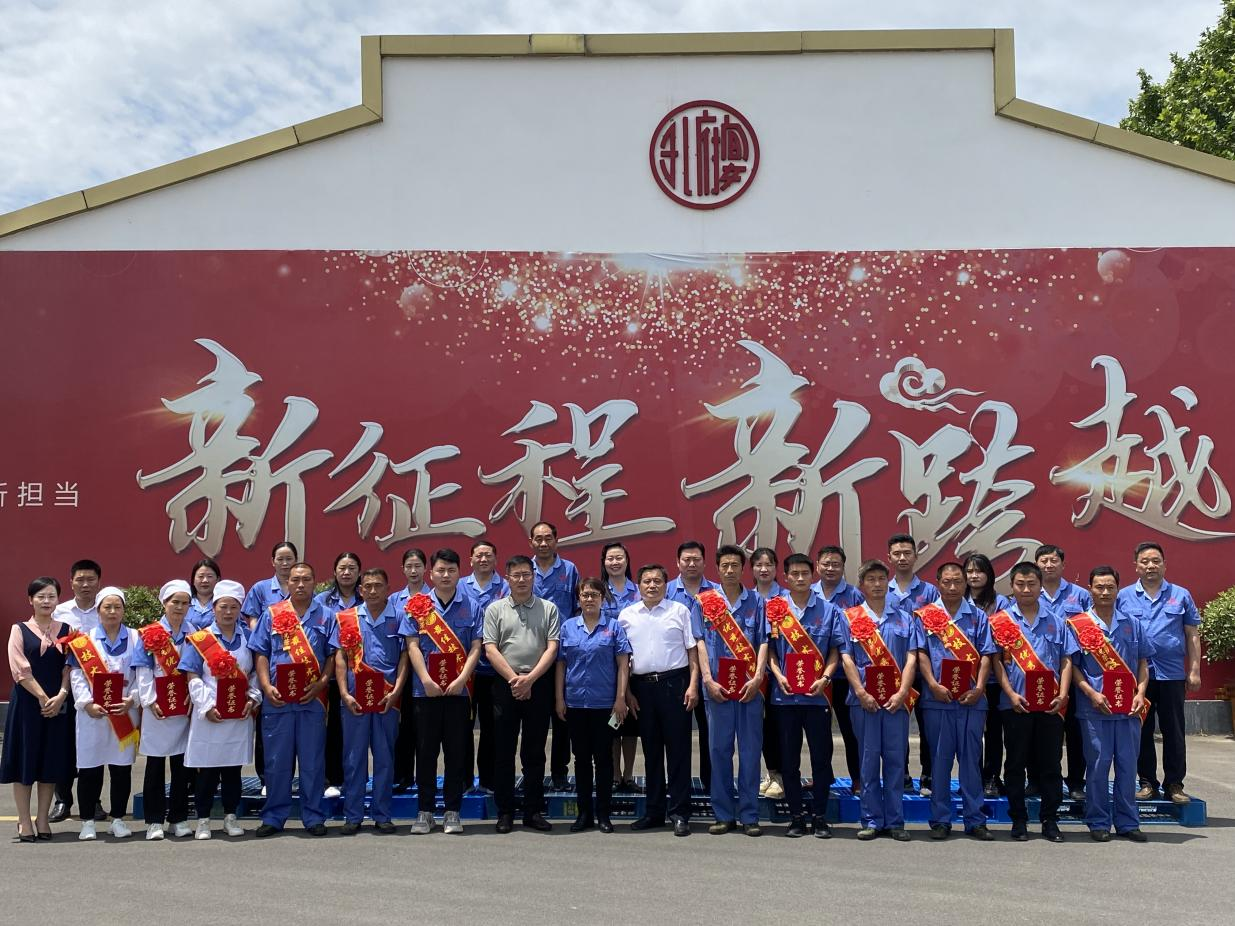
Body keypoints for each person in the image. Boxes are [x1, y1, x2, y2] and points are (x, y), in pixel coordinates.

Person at [248, 561, 336, 837]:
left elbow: (333, 656)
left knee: (312, 762)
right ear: (288, 583)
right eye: (295, 580)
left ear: (314, 582)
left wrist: (322, 683)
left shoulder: (326, 616)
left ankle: (314, 816)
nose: (300, 584)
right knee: (277, 762)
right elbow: (261, 653)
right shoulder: (272, 614)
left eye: (306, 579)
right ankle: (274, 816)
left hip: (312, 700)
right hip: (278, 700)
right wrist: (265, 685)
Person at [401, 549, 483, 836]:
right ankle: (424, 811)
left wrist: (462, 678)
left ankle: (452, 811)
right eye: (440, 570)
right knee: (425, 752)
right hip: (425, 692)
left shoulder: (472, 606)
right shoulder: (417, 606)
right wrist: (425, 679)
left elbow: (476, 646)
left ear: (459, 572)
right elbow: (412, 645)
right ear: (431, 573)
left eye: (451, 570)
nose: (445, 575)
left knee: (456, 752)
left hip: (459, 692)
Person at [914, 563, 997, 841]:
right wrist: (932, 685)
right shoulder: (926, 616)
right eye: (947, 582)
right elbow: (921, 654)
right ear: (938, 582)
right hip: (937, 699)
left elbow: (986, 655)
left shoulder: (978, 616)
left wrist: (980, 687)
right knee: (939, 761)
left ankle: (975, 820)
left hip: (971, 700)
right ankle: (940, 820)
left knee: (971, 761)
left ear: (965, 584)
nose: (952, 587)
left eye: (957, 582)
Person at [992, 561, 1074, 843]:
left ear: (1041, 586)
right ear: (1012, 587)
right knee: (1015, 763)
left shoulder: (1057, 621)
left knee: (1051, 764)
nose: (1026, 590)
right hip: (1015, 704)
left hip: (1051, 706)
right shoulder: (1001, 621)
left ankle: (1050, 820)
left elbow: (1066, 660)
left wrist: (1063, 694)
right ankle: (1019, 819)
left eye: (1031, 584)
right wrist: (1010, 694)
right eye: (1020, 584)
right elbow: (996, 662)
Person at [1071, 566, 1152, 842]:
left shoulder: (1132, 623)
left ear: (1118, 589)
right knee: (1098, 766)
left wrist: (1141, 693)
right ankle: (1098, 821)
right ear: (1090, 589)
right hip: (1095, 709)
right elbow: (1073, 667)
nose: (1105, 592)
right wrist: (1091, 693)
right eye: (1099, 587)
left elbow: (1143, 663)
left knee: (1128, 767)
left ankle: (1128, 822)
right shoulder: (1078, 625)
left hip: (1129, 710)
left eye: (1110, 587)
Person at [1116, 542, 1200, 805]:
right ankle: (1147, 782)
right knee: (1140, 730)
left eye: (1155, 561)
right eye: (1145, 561)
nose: (1150, 566)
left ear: (1165, 565)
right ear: (1136, 566)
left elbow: (1192, 635)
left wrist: (1194, 670)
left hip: (1172, 674)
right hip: (1137, 676)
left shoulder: (1181, 595)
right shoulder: (1124, 596)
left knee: (1174, 730)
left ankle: (1174, 783)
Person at [620, 564, 700, 837]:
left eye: (657, 581)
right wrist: (627, 693)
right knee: (651, 752)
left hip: (675, 685)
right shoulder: (627, 615)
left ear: (666, 585)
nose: (652, 585)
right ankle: (654, 812)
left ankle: (680, 813)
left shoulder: (680, 611)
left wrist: (693, 685)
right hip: (642, 688)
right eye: (647, 581)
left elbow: (692, 651)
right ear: (639, 585)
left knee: (678, 752)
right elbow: (623, 659)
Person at [839, 560, 916, 841]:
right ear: (861, 585)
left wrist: (903, 692)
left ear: (888, 583)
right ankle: (871, 819)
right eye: (870, 579)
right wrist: (861, 692)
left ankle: (895, 821)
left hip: (896, 701)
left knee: (896, 761)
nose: (877, 584)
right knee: (868, 760)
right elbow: (846, 657)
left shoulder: (905, 618)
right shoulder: (850, 617)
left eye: (882, 578)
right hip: (864, 701)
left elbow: (911, 658)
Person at [693, 546, 768, 837]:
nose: (729, 570)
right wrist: (707, 680)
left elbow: (763, 641)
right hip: (718, 690)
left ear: (742, 568)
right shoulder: (705, 602)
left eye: (735, 565)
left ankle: (750, 815)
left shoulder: (757, 602)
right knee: (719, 752)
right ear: (717, 568)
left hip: (749, 689)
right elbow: (699, 642)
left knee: (750, 753)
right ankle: (723, 814)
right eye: (724, 565)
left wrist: (758, 677)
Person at [766, 553, 842, 838]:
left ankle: (820, 816)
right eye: (794, 574)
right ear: (786, 577)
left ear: (813, 575)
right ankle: (796, 816)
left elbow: (835, 650)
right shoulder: (775, 609)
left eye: (805, 573)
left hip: (817, 697)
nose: (800, 578)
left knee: (821, 758)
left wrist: (826, 678)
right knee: (789, 760)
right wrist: (778, 675)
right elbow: (769, 650)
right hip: (784, 697)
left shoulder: (828, 610)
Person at [484, 555, 560, 834]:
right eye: (516, 575)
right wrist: (515, 679)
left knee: (534, 751)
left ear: (533, 577)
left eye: (526, 574)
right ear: (507, 578)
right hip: (506, 684)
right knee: (503, 751)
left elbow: (552, 647)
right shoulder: (495, 609)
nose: (521, 580)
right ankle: (505, 811)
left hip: (538, 683)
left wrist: (530, 679)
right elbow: (490, 648)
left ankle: (532, 810)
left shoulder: (548, 608)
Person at [180, 580, 259, 839]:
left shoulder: (249, 637)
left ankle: (230, 816)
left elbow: (255, 673)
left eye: (233, 607)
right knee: (207, 770)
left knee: (233, 769)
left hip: (238, 714)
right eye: (223, 606)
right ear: (214, 608)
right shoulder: (200, 640)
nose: (228, 612)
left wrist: (252, 699)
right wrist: (206, 706)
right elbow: (193, 676)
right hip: (209, 714)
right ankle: (203, 820)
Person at [332, 568, 407, 835]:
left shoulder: (399, 617)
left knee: (385, 758)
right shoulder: (346, 618)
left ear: (388, 588)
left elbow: (405, 657)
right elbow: (340, 658)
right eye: (368, 586)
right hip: (354, 699)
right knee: (353, 758)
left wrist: (396, 691)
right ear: (361, 590)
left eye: (378, 585)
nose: (373, 590)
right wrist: (344, 693)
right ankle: (352, 816)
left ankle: (382, 815)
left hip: (387, 699)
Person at [555, 577, 632, 832]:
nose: (589, 599)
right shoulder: (568, 627)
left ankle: (604, 815)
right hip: (576, 704)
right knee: (581, 760)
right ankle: (584, 814)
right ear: (578, 598)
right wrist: (559, 698)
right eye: (585, 595)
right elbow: (561, 665)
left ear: (602, 598)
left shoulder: (613, 627)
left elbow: (623, 664)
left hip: (605, 705)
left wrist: (620, 698)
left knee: (604, 759)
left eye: (594, 595)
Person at [66, 586, 140, 840]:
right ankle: (87, 821)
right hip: (93, 715)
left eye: (117, 607)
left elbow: (142, 673)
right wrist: (86, 703)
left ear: (124, 611)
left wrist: (132, 699)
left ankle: (117, 819)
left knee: (121, 769)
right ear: (98, 611)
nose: (112, 611)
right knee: (90, 769)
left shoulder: (135, 638)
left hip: (124, 712)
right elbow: (76, 675)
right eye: (107, 607)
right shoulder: (83, 641)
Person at [2, 577, 73, 842]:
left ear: (58, 600)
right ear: (30, 600)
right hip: (27, 705)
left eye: (51, 596)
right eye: (41, 596)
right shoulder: (19, 629)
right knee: (25, 762)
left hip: (57, 705)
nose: (46, 601)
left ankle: (42, 819)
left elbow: (70, 666)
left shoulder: (67, 629)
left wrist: (61, 696)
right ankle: (24, 821)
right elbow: (19, 670)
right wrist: (44, 697)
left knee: (49, 762)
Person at [133, 580, 195, 839]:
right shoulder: (151, 633)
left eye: (184, 603)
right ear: (164, 603)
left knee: (182, 766)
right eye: (174, 602)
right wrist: (149, 701)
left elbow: (197, 669)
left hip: (184, 707)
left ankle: (178, 818)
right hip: (158, 707)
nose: (179, 607)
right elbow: (143, 669)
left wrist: (193, 696)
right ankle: (154, 820)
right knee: (155, 765)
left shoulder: (194, 632)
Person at [1035, 544, 1093, 802]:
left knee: (1076, 731)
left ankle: (1077, 782)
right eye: (1043, 561)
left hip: (1077, 673)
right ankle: (1041, 780)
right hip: (1041, 677)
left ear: (1063, 564)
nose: (1048, 565)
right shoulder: (1029, 593)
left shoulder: (1080, 596)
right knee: (1044, 734)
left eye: (1053, 560)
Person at [242, 541, 297, 795]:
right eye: (280, 559)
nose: (285, 564)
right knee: (269, 726)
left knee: (298, 728)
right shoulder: (261, 589)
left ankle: (295, 777)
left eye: (289, 559)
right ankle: (266, 778)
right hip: (271, 663)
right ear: (272, 561)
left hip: (298, 665)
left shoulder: (302, 588)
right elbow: (253, 621)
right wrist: (269, 640)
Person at [49, 558, 102, 824]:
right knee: (64, 743)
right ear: (71, 582)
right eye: (80, 580)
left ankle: (94, 801)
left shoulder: (105, 610)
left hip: (98, 689)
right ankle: (63, 800)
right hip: (66, 685)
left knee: (95, 744)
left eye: (90, 579)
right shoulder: (59, 612)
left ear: (98, 582)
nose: (85, 585)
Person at [529, 521, 580, 791]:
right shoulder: (524, 570)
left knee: (562, 718)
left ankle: (560, 772)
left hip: (562, 657)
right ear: (531, 542)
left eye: (548, 538)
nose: (543, 543)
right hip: (532, 657)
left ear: (556, 540)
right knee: (535, 721)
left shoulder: (569, 570)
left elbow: (577, 609)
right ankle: (533, 774)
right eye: (538, 539)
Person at [886, 534, 936, 797]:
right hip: (895, 669)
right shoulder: (882, 589)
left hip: (925, 671)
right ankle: (902, 774)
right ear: (889, 557)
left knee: (928, 726)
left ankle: (928, 775)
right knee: (897, 727)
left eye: (907, 553)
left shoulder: (930, 592)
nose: (902, 558)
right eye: (897, 553)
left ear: (916, 556)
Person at [812, 545, 864, 796]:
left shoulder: (855, 596)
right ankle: (822, 777)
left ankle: (858, 779)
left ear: (843, 567)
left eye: (836, 564)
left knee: (850, 730)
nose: (830, 568)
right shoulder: (807, 593)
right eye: (826, 564)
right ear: (817, 566)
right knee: (818, 732)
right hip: (813, 676)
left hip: (845, 675)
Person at [665, 540, 716, 797]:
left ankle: (711, 784)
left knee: (710, 732)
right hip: (675, 672)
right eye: (686, 559)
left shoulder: (716, 593)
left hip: (709, 672)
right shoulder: (665, 592)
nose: (691, 564)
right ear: (678, 562)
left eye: (696, 559)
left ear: (704, 562)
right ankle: (679, 787)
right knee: (677, 735)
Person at [462, 539, 510, 796]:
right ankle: (464, 780)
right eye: (478, 555)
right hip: (465, 672)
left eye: (488, 555)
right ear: (470, 559)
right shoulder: (460, 586)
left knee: (493, 728)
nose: (483, 559)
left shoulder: (506, 587)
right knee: (463, 727)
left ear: (496, 558)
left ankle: (489, 780)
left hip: (495, 670)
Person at [314, 552, 363, 803]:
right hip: (328, 675)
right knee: (329, 729)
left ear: (359, 572)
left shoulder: (366, 597)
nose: (346, 572)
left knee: (354, 731)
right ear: (334, 572)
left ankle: (353, 778)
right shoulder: (321, 600)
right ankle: (330, 778)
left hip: (359, 675)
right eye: (342, 568)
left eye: (352, 568)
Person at [963, 553, 1012, 798]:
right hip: (963, 678)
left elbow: (1006, 638)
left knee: (993, 730)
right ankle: (971, 776)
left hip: (993, 678)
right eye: (969, 571)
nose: (974, 576)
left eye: (979, 571)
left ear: (989, 574)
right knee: (968, 732)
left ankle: (992, 776)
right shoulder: (957, 600)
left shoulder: (1001, 602)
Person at [600, 542, 640, 792]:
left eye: (619, 558)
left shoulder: (639, 590)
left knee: (631, 725)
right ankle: (614, 775)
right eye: (610, 558)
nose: (615, 562)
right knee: (612, 723)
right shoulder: (598, 591)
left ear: (627, 560)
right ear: (604, 562)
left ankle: (628, 775)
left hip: (636, 666)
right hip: (606, 666)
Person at [391, 547, 430, 793]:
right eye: (409, 566)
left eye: (418, 566)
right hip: (402, 670)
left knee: (424, 728)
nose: (413, 571)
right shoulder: (394, 600)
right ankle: (403, 775)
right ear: (403, 570)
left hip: (428, 671)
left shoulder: (434, 597)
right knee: (403, 726)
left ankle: (425, 777)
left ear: (425, 568)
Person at [750, 547, 785, 801]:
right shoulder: (747, 599)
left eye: (769, 564)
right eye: (759, 565)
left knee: (779, 726)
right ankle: (771, 773)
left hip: (782, 673)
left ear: (776, 568)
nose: (764, 569)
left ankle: (781, 776)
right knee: (760, 726)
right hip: (753, 673)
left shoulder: (786, 598)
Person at [187, 558, 222, 630]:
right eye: (201, 576)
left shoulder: (225, 604)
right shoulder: (185, 603)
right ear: (193, 580)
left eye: (209, 576)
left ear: (218, 580)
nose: (205, 580)